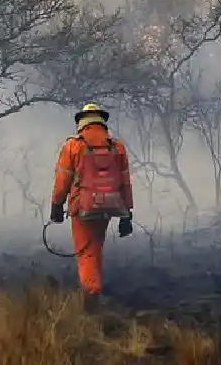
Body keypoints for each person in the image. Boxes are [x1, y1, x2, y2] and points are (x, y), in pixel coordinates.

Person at [49, 103, 134, 296]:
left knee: (86, 252)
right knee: (95, 247)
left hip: (82, 208)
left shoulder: (73, 146)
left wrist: (56, 205)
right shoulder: (117, 147)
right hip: (110, 207)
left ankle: (91, 294)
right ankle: (94, 285)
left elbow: (63, 180)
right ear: (101, 122)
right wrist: (127, 213)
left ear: (81, 122)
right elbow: (125, 182)